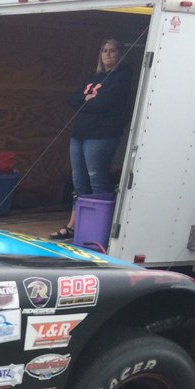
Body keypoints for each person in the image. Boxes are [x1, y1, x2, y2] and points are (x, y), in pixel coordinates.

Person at [51, 37, 132, 239]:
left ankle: (98, 229)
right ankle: (74, 225)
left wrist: (88, 102)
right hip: (80, 134)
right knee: (79, 181)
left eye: (112, 50)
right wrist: (87, 100)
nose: (108, 54)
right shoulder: (94, 77)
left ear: (120, 54)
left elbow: (103, 104)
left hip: (102, 135)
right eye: (104, 50)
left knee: (97, 178)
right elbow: (73, 99)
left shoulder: (122, 77)